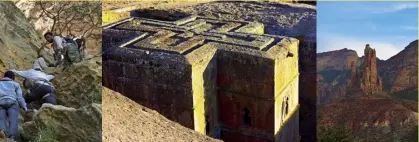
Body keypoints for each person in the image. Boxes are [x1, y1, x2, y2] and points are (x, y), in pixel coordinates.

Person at [0, 71, 27, 139]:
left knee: (1, 119)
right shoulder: (16, 84)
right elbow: (20, 98)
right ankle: (11, 137)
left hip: (0, 102)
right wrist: (24, 106)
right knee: (13, 119)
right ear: (13, 78)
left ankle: (2, 131)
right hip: (12, 102)